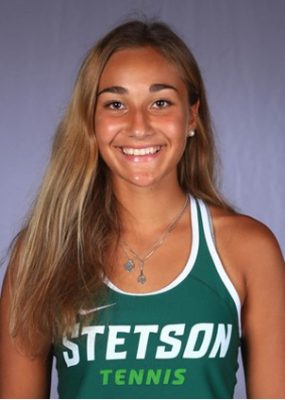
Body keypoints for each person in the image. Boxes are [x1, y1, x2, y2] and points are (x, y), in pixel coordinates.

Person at [0, 19, 284, 399]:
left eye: (160, 102)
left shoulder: (249, 250)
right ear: (91, 120)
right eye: (116, 104)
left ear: (192, 116)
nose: (138, 126)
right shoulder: (41, 253)